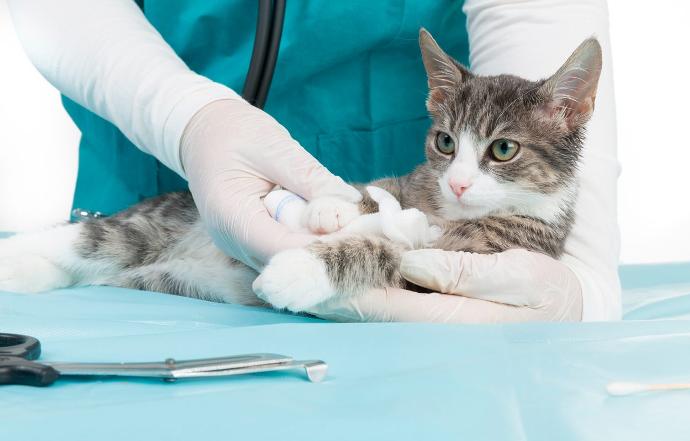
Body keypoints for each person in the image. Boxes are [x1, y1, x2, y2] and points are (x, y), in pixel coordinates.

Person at [7, 0, 620, 323]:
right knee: (96, 273)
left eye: (502, 152)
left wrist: (587, 279)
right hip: (155, 152)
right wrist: (189, 119)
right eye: (451, 150)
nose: (459, 177)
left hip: (334, 299)